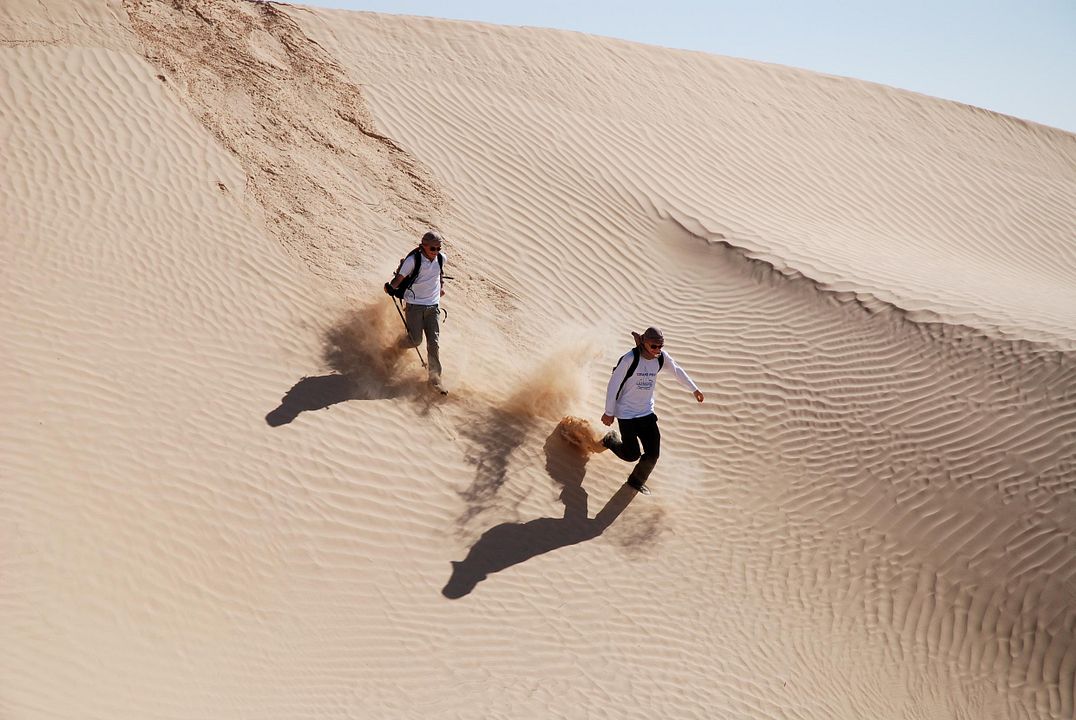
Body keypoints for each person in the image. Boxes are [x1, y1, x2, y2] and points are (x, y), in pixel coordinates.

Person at [601, 327, 704, 495]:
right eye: (654, 346)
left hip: (646, 412)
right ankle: (610, 440)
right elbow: (613, 385)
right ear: (644, 342)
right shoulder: (630, 359)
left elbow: (677, 370)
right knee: (631, 454)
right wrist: (609, 411)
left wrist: (694, 389)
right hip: (626, 413)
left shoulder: (661, 358)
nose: (658, 350)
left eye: (660, 346)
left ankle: (636, 481)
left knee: (653, 454)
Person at [384, 230, 448, 393]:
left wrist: (441, 287)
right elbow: (399, 279)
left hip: (433, 306)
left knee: (433, 343)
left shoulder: (441, 258)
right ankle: (395, 348)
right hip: (414, 306)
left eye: (438, 248)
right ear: (424, 246)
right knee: (415, 340)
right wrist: (391, 287)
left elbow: (440, 273)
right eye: (433, 248)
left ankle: (435, 379)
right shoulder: (413, 260)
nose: (436, 252)